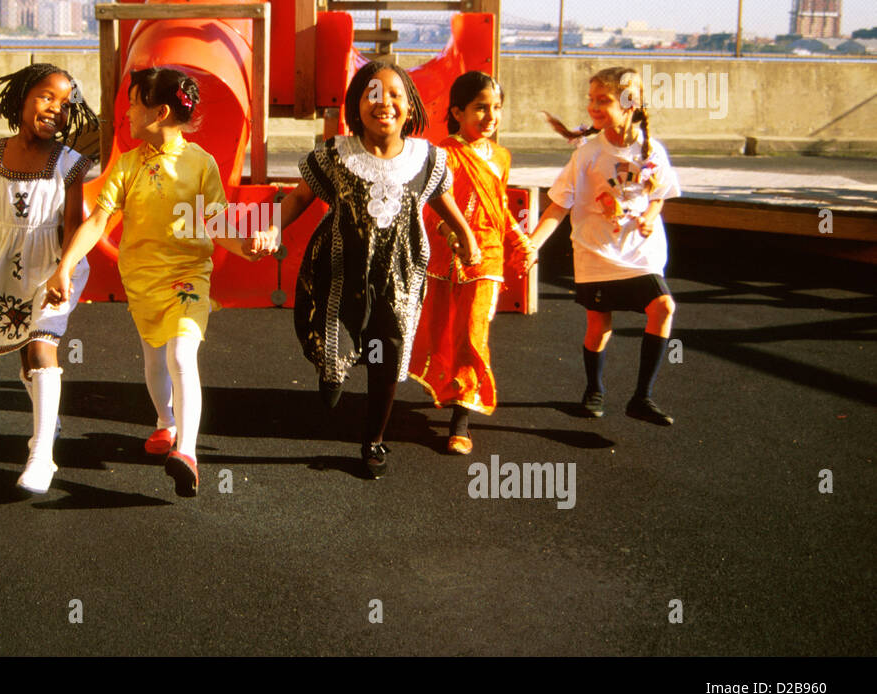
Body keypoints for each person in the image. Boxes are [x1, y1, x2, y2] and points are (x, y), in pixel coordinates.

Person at [44, 67, 264, 498]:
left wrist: (244, 247)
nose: (125, 112)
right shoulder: (127, 165)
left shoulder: (201, 164)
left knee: (182, 353)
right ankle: (165, 422)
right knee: (153, 360)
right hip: (142, 282)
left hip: (188, 278)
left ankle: (187, 453)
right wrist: (65, 265)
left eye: (132, 102)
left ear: (160, 111)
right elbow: (99, 221)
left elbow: (215, 222)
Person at [255, 60, 480, 479]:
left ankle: (374, 439)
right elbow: (299, 199)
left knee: (386, 358)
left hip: (400, 276)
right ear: (357, 105)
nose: (384, 103)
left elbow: (443, 205)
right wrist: (272, 226)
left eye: (395, 95)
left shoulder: (427, 159)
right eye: (373, 94)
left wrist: (466, 237)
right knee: (333, 346)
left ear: (410, 107)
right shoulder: (334, 155)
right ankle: (331, 371)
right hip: (339, 273)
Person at [0, 63, 97, 495]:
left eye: (64, 103)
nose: (56, 108)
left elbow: (73, 225)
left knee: (42, 345)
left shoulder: (70, 163)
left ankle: (42, 455)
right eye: (45, 96)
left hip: (55, 264)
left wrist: (63, 271)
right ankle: (47, 418)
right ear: (21, 99)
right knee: (24, 355)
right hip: (6, 263)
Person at [528, 66, 680, 425]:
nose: (593, 107)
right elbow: (559, 204)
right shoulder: (588, 154)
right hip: (596, 251)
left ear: (630, 104)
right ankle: (593, 389)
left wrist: (649, 216)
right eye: (591, 100)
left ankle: (642, 396)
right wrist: (532, 245)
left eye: (603, 100)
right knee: (598, 324)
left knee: (663, 306)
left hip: (641, 254)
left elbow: (658, 194)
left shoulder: (652, 149)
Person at [409, 71, 535, 455]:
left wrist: (520, 241)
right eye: (482, 108)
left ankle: (461, 419)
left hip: (488, 259)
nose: (491, 116)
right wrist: (452, 237)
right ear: (457, 111)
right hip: (446, 257)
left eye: (497, 108)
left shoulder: (500, 156)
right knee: (442, 329)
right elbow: (430, 209)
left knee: (472, 332)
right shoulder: (441, 154)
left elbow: (499, 208)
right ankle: (449, 390)